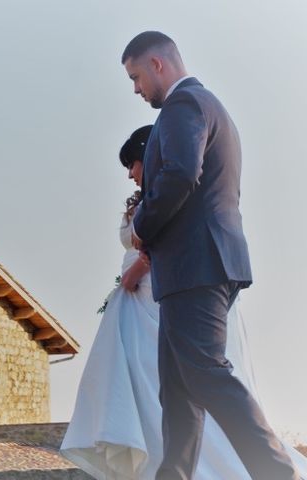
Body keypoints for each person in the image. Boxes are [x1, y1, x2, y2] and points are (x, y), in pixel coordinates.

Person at [60, 126, 307, 479]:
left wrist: (131, 276)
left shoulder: (169, 194)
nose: (129, 173)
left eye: (131, 163)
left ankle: (259, 468)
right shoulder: (146, 197)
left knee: (178, 383)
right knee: (169, 391)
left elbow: (151, 248)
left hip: (162, 298)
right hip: (153, 296)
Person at [123, 31, 300, 479]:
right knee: (179, 392)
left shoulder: (185, 105)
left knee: (206, 375)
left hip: (195, 265)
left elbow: (182, 173)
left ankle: (277, 472)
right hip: (195, 265)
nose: (136, 88)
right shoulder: (203, 106)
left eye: (137, 76)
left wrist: (142, 225)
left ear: (159, 65)